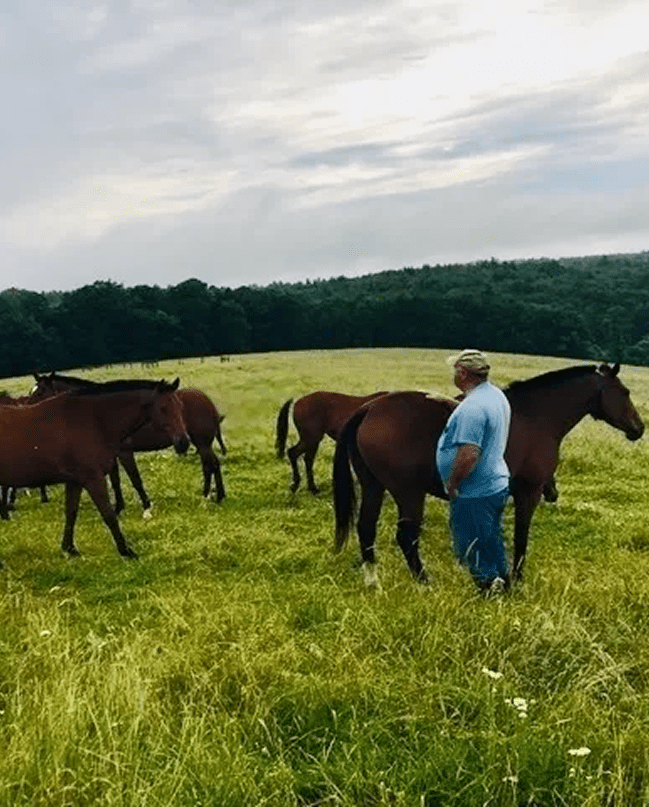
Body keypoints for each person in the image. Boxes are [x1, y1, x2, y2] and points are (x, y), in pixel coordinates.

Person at [435, 349, 511, 594]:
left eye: (454, 370)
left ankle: (488, 586)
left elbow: (469, 454)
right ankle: (503, 577)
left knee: (471, 542)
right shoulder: (495, 396)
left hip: (474, 489)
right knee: (491, 536)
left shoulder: (472, 410)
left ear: (462, 373)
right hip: (496, 482)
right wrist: (451, 403)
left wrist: (453, 483)